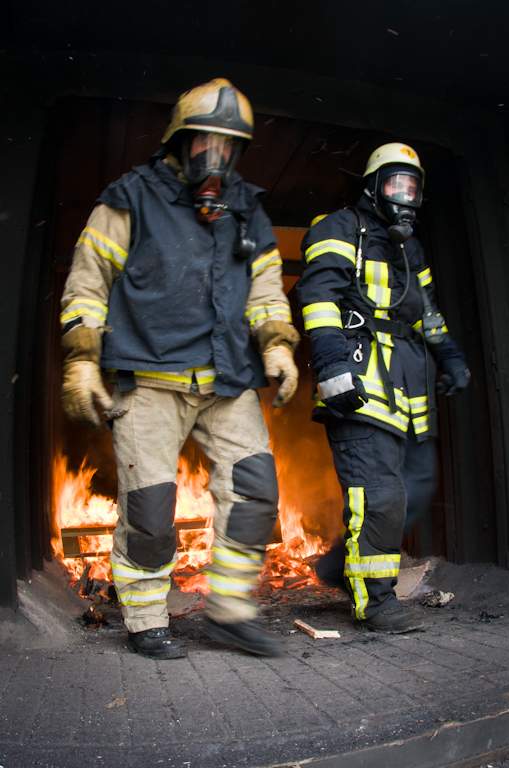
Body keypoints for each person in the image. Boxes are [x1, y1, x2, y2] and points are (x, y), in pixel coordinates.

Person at [59, 78, 300, 659]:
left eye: (228, 147)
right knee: (149, 510)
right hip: (149, 378)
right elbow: (90, 279)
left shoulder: (247, 208)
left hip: (226, 379)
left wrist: (276, 344)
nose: (216, 158)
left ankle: (230, 612)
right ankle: (145, 619)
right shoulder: (130, 196)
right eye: (205, 145)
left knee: (256, 494)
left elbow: (266, 286)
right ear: (181, 140)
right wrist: (81, 360)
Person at [296, 142, 469, 633]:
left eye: (413, 187)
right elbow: (318, 294)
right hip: (359, 383)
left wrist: (450, 357)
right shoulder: (338, 228)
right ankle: (374, 603)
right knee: (382, 495)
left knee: (416, 485)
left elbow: (428, 313)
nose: (405, 195)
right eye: (396, 183)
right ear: (373, 186)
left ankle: (337, 565)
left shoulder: (410, 250)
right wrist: (331, 365)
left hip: (408, 394)